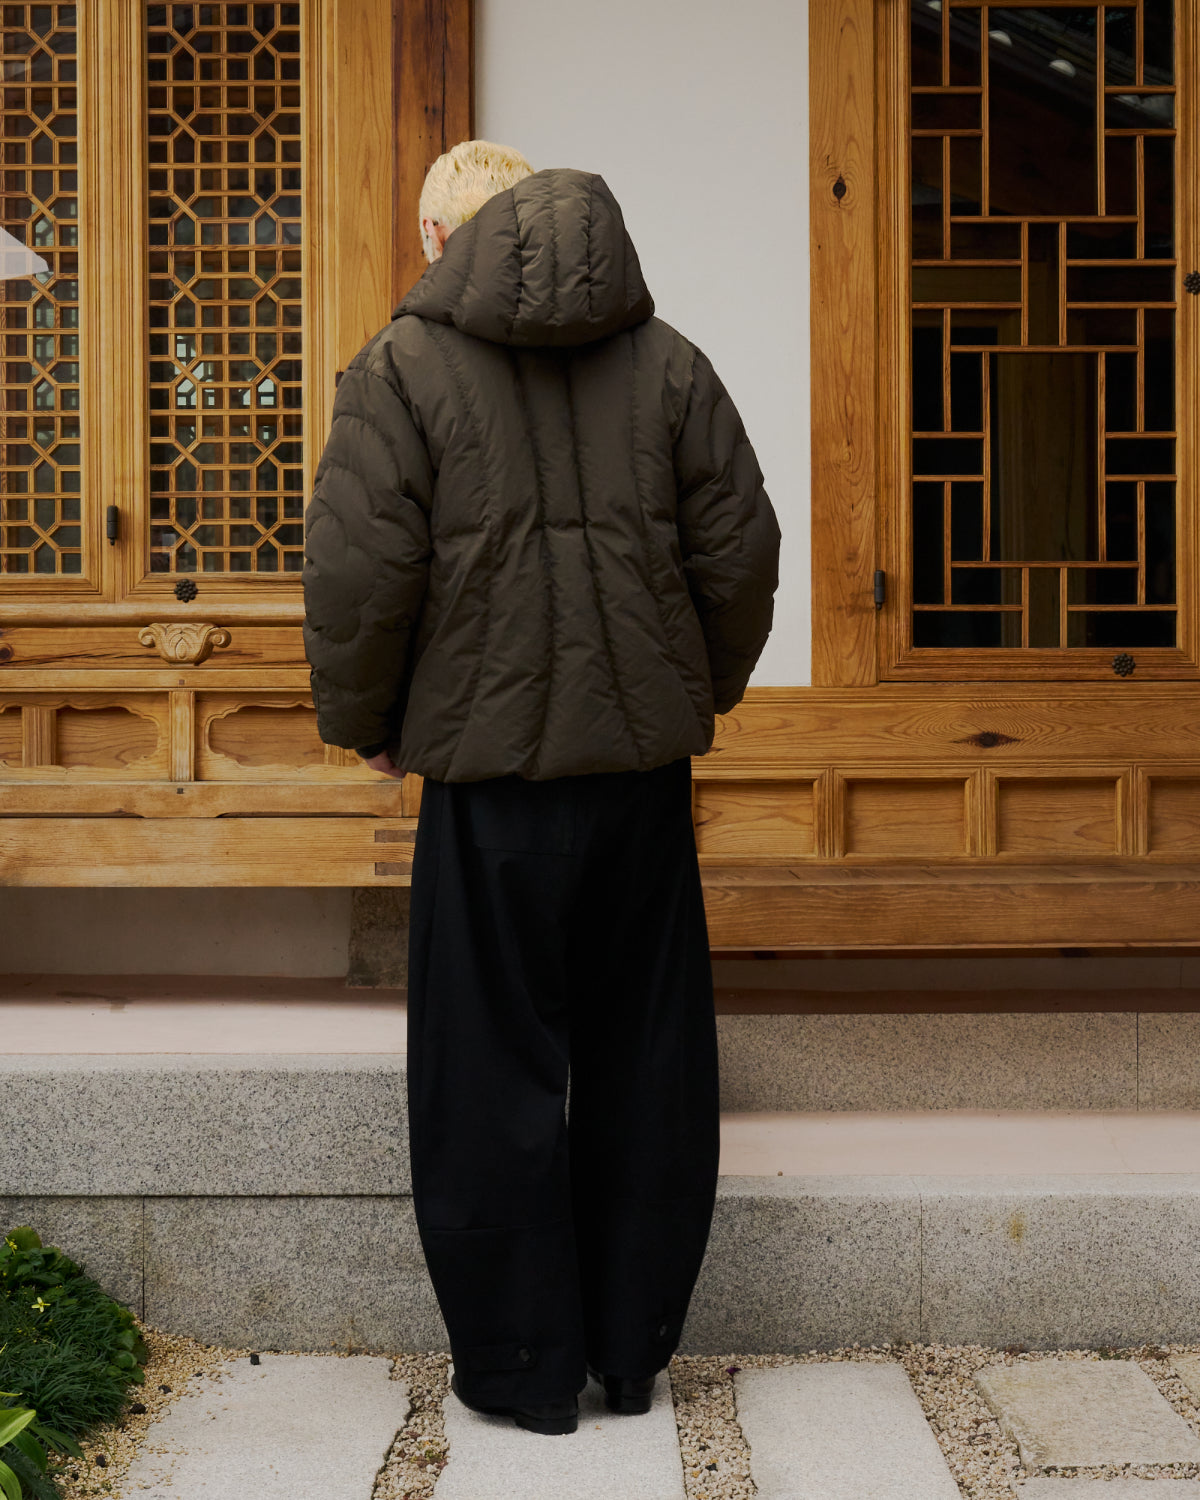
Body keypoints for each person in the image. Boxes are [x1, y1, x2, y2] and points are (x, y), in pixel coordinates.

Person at [302, 139, 780, 1437]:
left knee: (488, 1076)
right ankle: (631, 1357)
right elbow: (741, 551)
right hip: (639, 783)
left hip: (488, 786)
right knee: (646, 1063)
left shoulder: (401, 368)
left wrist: (371, 727)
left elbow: (360, 575)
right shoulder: (669, 364)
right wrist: (693, 693)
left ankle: (523, 1369)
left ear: (440, 241)